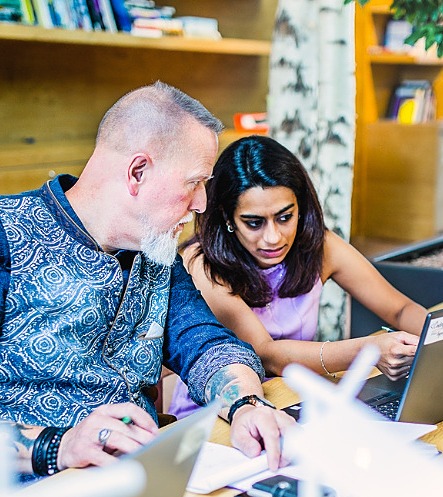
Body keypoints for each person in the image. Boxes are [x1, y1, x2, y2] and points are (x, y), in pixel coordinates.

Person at [0, 83, 293, 497]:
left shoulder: (154, 249)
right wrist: (59, 447)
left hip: (136, 492)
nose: (203, 203)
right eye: (194, 183)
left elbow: (203, 343)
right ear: (138, 172)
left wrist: (247, 404)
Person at [169, 134, 427, 418]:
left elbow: (401, 309)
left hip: (295, 401)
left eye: (284, 217)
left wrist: (440, 337)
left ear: (300, 208)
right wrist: (369, 349)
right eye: (254, 223)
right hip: (220, 416)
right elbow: (266, 355)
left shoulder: (320, 246)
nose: (273, 237)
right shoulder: (204, 265)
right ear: (227, 217)